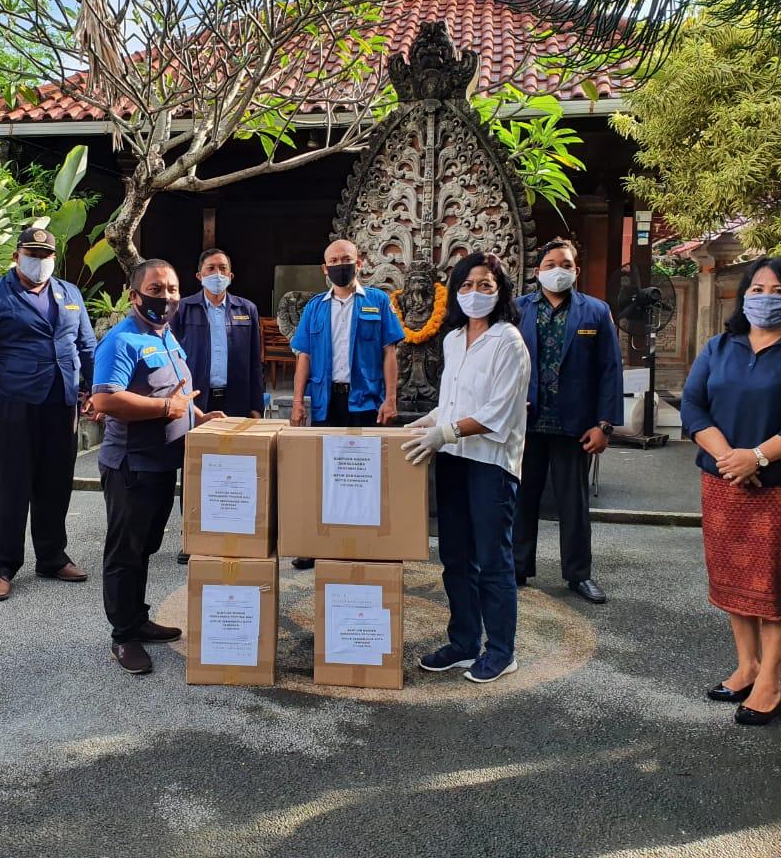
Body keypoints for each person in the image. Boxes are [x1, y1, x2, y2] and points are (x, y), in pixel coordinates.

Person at [681, 255, 781, 726]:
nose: (765, 298)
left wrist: (758, 457)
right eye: (757, 289)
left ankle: (770, 679)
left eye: (778, 291)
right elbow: (693, 405)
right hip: (723, 481)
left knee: (774, 582)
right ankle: (747, 665)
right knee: (733, 577)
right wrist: (731, 458)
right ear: (743, 295)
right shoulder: (719, 346)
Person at [90, 259, 226, 675]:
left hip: (164, 464)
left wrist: (199, 417)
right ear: (134, 296)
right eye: (155, 289)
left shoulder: (166, 336)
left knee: (146, 547)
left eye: (171, 289)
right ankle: (123, 636)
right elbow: (105, 399)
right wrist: (168, 409)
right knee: (125, 552)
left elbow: (178, 392)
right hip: (132, 466)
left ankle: (138, 618)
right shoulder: (122, 340)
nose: (165, 296)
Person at [402, 253, 531, 684]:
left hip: (491, 464)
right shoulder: (454, 338)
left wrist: (445, 432)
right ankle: (463, 642)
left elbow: (498, 413)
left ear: (500, 291)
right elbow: (454, 401)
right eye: (467, 285)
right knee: (456, 557)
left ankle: (502, 651)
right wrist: (428, 422)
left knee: (492, 559)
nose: (475, 293)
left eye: (485, 285)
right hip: (454, 459)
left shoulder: (508, 341)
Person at [0, 226, 97, 601]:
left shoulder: (70, 293)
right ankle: (0, 566)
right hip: (14, 401)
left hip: (61, 401)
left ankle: (52, 556)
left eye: (46, 255)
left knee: (56, 482)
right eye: (33, 254)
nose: (40, 261)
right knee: (8, 486)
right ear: (17, 256)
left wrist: (98, 391)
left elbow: (86, 346)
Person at [514, 239, 623, 604]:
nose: (557, 270)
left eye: (565, 264)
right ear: (537, 271)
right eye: (550, 264)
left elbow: (610, 369)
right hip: (526, 424)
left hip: (575, 426)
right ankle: (516, 567)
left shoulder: (595, 311)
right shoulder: (517, 310)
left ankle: (578, 575)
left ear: (576, 270)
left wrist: (604, 425)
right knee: (521, 500)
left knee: (573, 505)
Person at [287, 238, 405, 568]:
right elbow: (304, 357)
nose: (341, 265)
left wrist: (390, 399)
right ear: (325, 269)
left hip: (365, 402)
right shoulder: (315, 308)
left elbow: (389, 353)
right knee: (323, 473)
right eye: (334, 261)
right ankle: (316, 543)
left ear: (359, 263)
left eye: (346, 259)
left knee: (366, 473)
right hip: (326, 402)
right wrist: (297, 402)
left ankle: (368, 543)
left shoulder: (377, 301)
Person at [171, 247, 263, 565]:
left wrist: (256, 405)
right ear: (199, 275)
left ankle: (232, 533)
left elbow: (255, 362)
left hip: (235, 399)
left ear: (231, 275)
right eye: (211, 268)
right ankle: (191, 537)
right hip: (197, 402)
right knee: (195, 470)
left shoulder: (246, 309)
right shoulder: (182, 309)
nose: (217, 274)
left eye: (223, 268)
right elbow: (173, 359)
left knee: (234, 470)